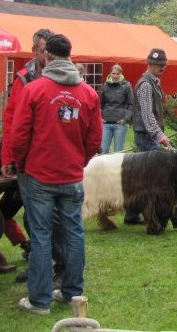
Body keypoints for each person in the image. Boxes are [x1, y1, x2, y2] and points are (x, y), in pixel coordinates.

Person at [11, 34, 102, 314]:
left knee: (41, 235)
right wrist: (79, 161)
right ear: (70, 56)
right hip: (72, 177)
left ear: (47, 56)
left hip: (40, 176)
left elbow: (19, 136)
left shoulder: (35, 90)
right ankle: (73, 292)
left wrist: (22, 163)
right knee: (74, 233)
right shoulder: (88, 93)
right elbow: (94, 139)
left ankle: (39, 301)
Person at [1, 28, 55, 283]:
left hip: (52, 159)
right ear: (35, 51)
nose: (48, 55)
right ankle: (37, 258)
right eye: (44, 50)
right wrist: (7, 160)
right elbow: (12, 121)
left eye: (51, 50)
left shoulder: (63, 76)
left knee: (46, 213)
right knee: (31, 212)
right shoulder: (24, 79)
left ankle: (46, 261)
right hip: (27, 160)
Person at [126, 48, 177, 228]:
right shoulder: (145, 85)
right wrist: (160, 136)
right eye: (158, 65)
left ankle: (131, 214)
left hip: (147, 136)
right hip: (147, 137)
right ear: (149, 64)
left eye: (163, 65)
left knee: (143, 178)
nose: (162, 68)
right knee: (164, 178)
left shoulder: (154, 83)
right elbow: (148, 116)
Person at [100, 64, 134, 153]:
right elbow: (100, 104)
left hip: (120, 124)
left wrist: (126, 119)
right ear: (110, 74)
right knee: (103, 151)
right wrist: (100, 117)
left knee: (118, 152)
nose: (115, 76)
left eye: (117, 74)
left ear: (121, 74)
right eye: (113, 73)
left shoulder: (126, 86)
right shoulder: (105, 86)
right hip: (106, 123)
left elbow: (131, 104)